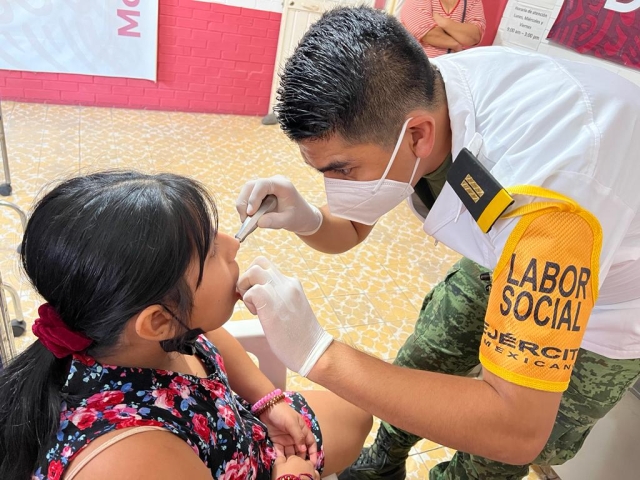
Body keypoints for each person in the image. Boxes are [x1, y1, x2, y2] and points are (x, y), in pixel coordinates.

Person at [235, 6, 640, 480]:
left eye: (342, 170)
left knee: (493, 456)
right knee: (427, 354)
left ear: (419, 136)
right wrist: (306, 218)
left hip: (607, 301)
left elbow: (515, 426)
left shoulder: (550, 200)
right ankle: (382, 464)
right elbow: (347, 226)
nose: (335, 187)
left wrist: (318, 353)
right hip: (504, 247)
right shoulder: (420, 92)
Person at [0, 171, 371, 480]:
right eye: (211, 251)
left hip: (242, 430)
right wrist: (294, 476)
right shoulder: (134, 460)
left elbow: (211, 338)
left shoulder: (151, 331)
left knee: (357, 410)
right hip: (265, 466)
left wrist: (267, 400)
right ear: (158, 320)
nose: (232, 244)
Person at [400, 0, 486, 57]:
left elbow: (474, 36)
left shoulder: (473, 1)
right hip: (417, 69)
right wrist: (456, 44)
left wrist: (444, 22)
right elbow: (428, 33)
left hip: (451, 72)